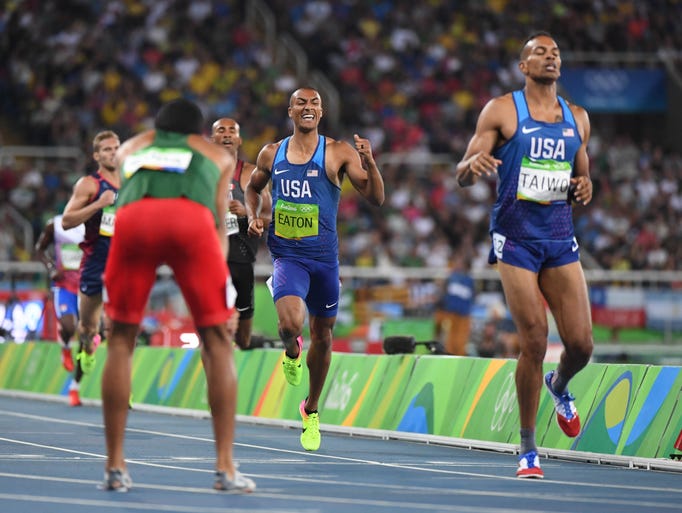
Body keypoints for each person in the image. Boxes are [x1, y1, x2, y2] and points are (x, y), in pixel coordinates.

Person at [455, 32, 594, 479]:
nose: (550, 56)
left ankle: (560, 384)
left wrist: (585, 186)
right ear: (523, 66)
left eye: (556, 51)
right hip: (514, 239)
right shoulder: (501, 110)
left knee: (581, 345)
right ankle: (529, 448)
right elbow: (463, 171)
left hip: (558, 238)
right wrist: (470, 168)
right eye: (540, 51)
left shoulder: (577, 118)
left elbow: (581, 175)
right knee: (534, 338)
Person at [100, 98, 255, 493]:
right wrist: (227, 295)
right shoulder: (215, 156)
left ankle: (115, 466)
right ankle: (225, 468)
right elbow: (221, 226)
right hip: (192, 223)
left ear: (157, 129)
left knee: (120, 339)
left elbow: (125, 183)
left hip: (133, 221)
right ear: (197, 133)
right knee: (218, 341)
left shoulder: (131, 147)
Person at [245, 87, 385, 451]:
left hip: (324, 260)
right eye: (301, 103)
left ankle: (311, 409)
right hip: (287, 256)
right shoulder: (271, 153)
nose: (308, 108)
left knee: (323, 336)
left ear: (321, 112)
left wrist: (370, 163)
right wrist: (254, 215)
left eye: (315, 103)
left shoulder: (338, 151)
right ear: (290, 110)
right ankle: (291, 350)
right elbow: (253, 188)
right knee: (290, 324)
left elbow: (376, 198)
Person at [61, 130, 120, 390]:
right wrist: (99, 204)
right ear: (97, 155)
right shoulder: (90, 184)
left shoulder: (132, 182)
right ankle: (86, 348)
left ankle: (123, 387)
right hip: (96, 261)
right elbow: (67, 220)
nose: (113, 152)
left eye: (116, 147)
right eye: (107, 149)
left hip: (123, 262)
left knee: (120, 326)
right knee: (87, 327)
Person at [210, 117, 272, 349]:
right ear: (212, 139)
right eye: (221, 130)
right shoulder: (201, 175)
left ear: (239, 139)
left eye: (231, 131)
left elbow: (269, 219)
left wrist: (246, 213)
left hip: (241, 257)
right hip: (210, 257)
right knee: (213, 328)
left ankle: (249, 343)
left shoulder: (250, 175)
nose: (226, 134)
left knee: (243, 339)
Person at [35, 214, 85, 405]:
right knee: (69, 327)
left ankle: (75, 387)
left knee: (87, 338)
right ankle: (65, 347)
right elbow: (39, 249)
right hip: (64, 287)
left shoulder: (95, 224)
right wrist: (50, 268)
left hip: (88, 287)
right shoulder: (55, 224)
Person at [433, 251, 475, 356]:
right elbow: (443, 294)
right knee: (449, 341)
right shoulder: (450, 278)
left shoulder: (470, 281)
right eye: (457, 262)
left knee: (460, 343)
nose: (457, 265)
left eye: (460, 263)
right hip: (450, 314)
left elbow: (472, 297)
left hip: (463, 316)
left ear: (465, 265)